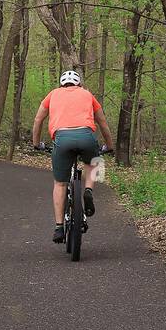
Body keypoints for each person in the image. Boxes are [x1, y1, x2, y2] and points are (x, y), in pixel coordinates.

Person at [31, 70, 114, 242]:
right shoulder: (88, 95)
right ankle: (89, 190)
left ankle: (59, 227)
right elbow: (102, 122)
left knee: (60, 184)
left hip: (62, 139)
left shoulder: (52, 95)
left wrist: (36, 143)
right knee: (94, 162)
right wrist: (109, 146)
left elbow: (38, 120)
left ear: (61, 84)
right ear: (79, 85)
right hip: (86, 136)